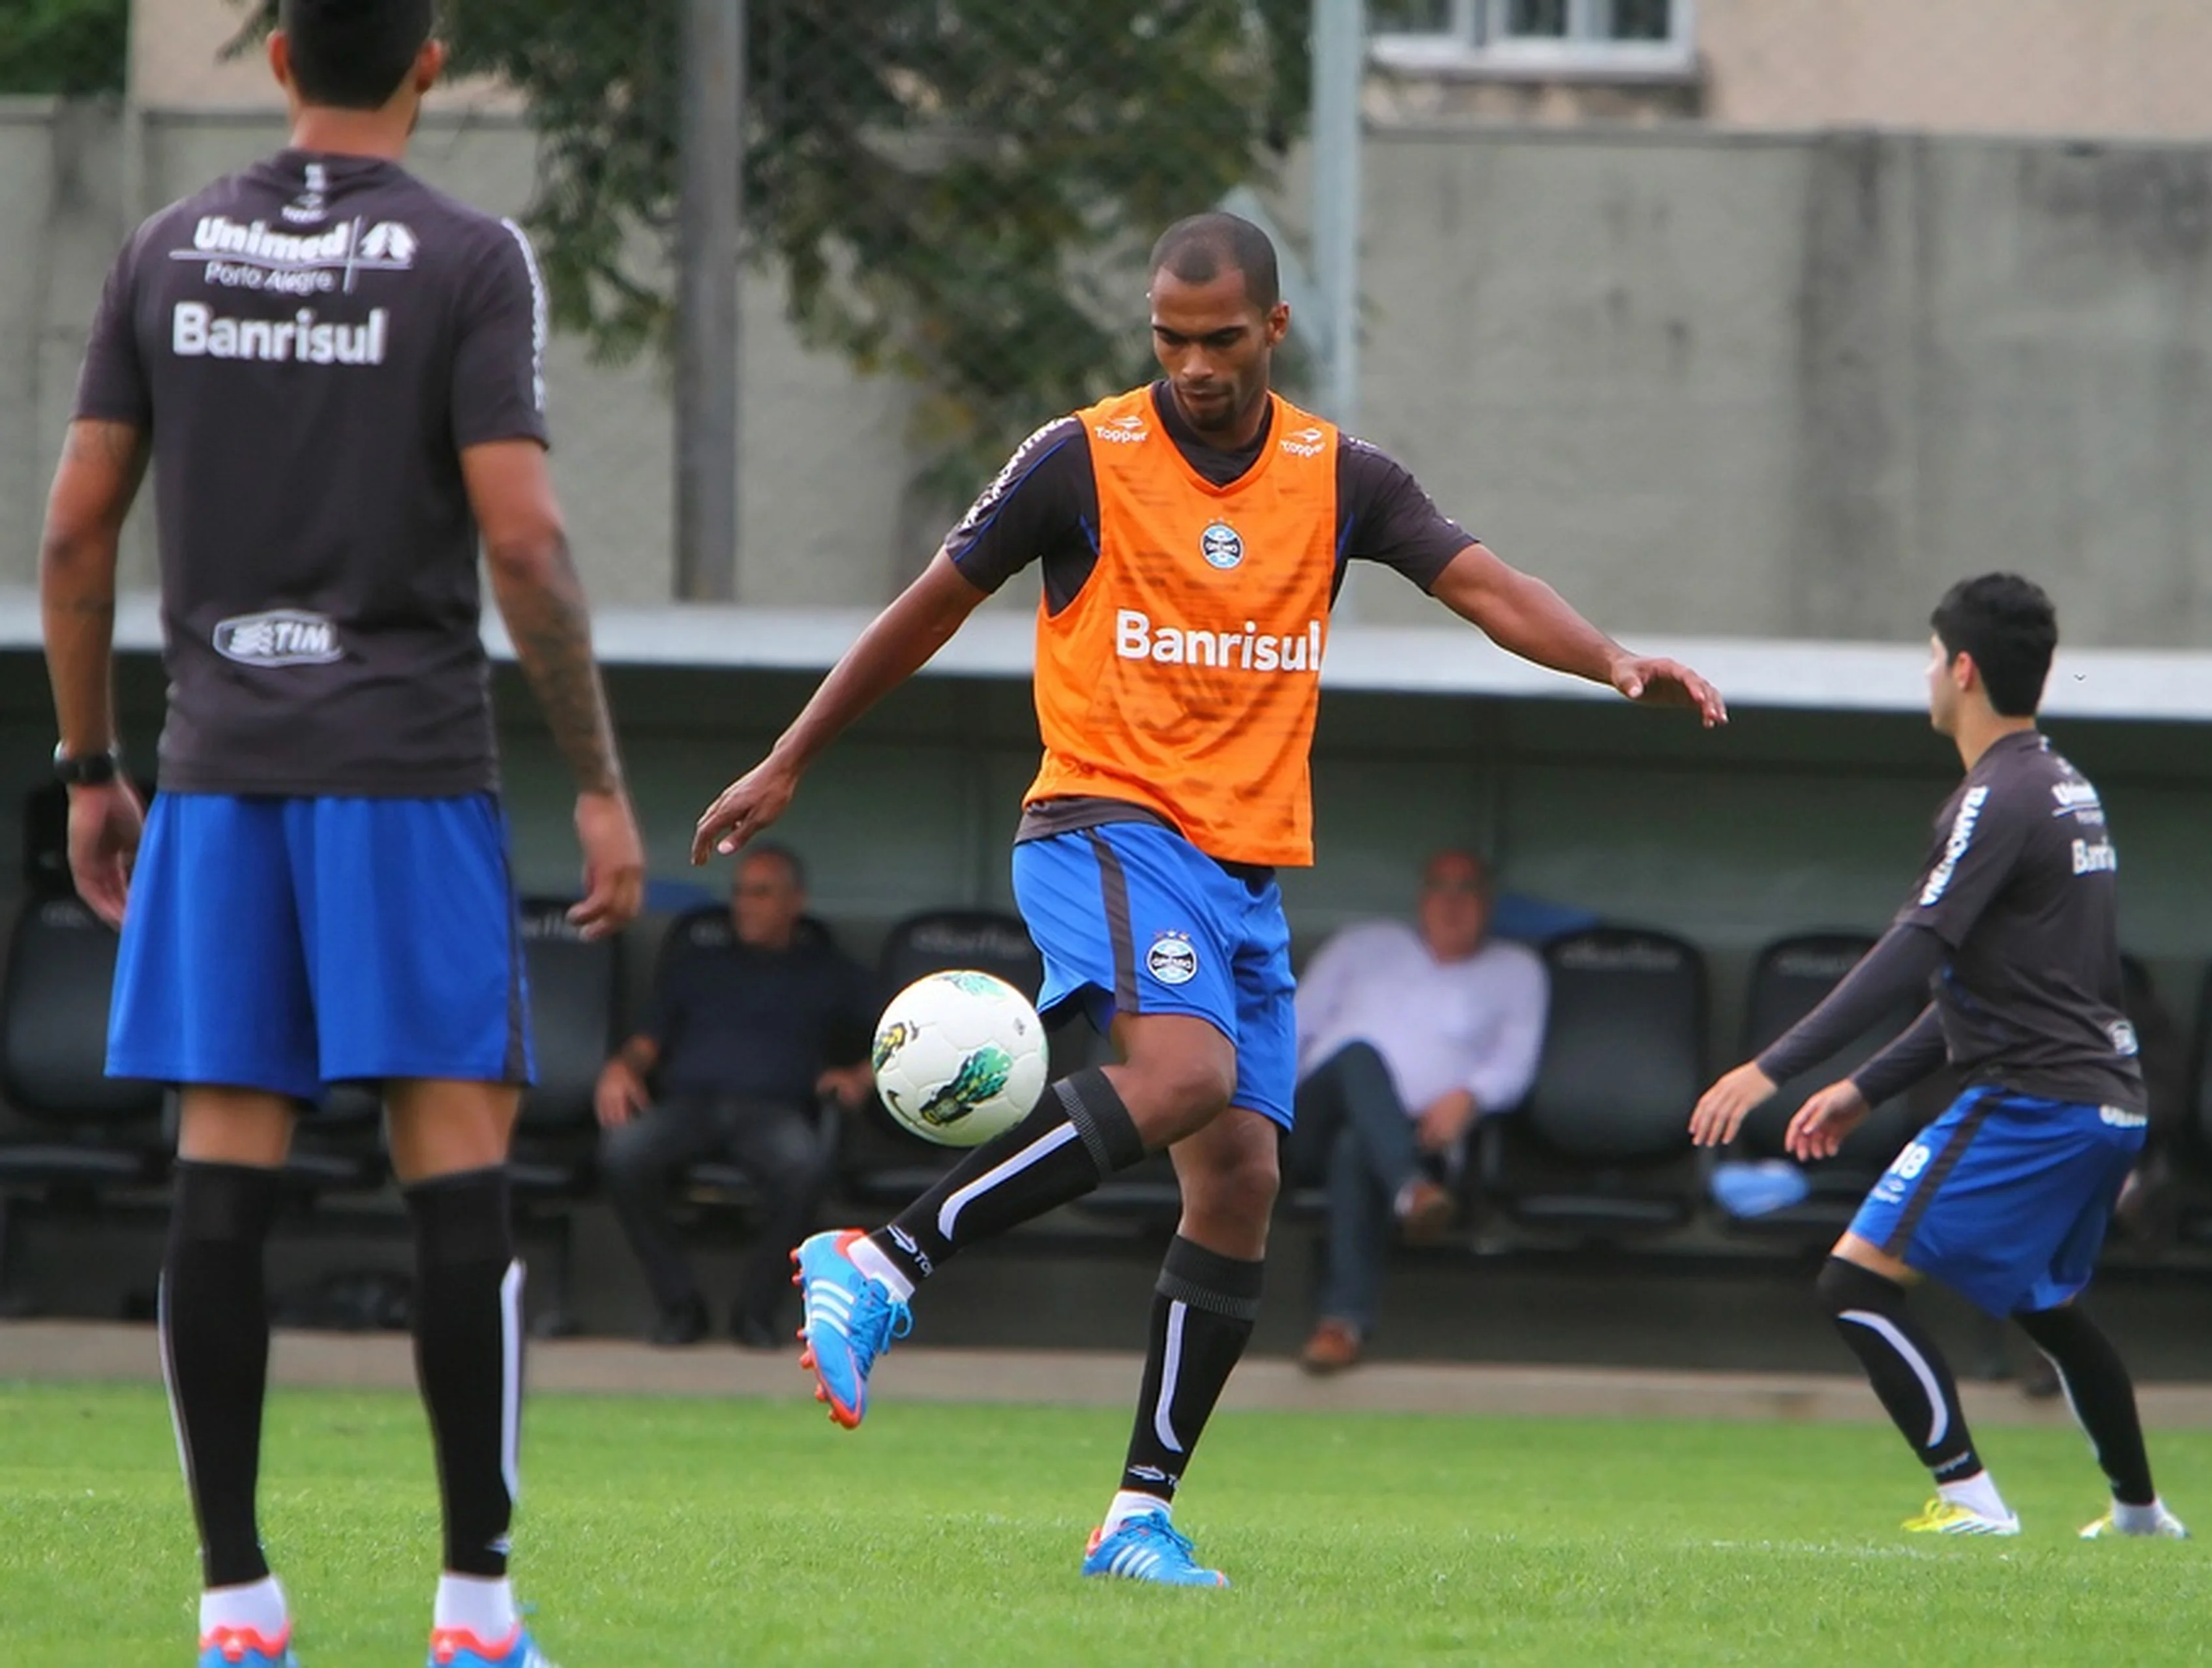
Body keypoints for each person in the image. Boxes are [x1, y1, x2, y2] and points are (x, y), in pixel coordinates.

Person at [691, 211, 1725, 1586]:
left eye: (1220, 339)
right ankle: (882, 1259)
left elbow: (1483, 583)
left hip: (1243, 876)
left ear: (1274, 329)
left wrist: (1611, 658)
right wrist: (789, 757)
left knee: (1240, 1182)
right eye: (1170, 339)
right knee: (1184, 1075)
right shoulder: (1079, 458)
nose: (1192, 365)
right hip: (1104, 821)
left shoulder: (1339, 476)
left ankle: (1137, 1516)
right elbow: (927, 607)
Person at [39, 5, 643, 1665]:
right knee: (458, 1183)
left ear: (280, 55)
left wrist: (92, 765)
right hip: (406, 775)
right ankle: (476, 1613)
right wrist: (598, 778)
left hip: (219, 775)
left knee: (219, 1183)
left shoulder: (166, 249)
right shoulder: (468, 258)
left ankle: (237, 1606)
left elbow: (77, 532)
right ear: (430, 60)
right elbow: (526, 540)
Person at [1688, 574, 2185, 1542]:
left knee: (1854, 1283)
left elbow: (1915, 949)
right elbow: (1993, 984)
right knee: (2049, 1305)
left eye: (1928, 656)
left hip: (2035, 1100)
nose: (1924, 674)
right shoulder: (2065, 786)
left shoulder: (1995, 797)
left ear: (1962, 669)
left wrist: (1772, 1067)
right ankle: (2139, 1514)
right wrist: (1864, 1086)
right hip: (2104, 1102)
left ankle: (1972, 1499)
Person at [596, 842, 882, 1350]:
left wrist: (860, 1076)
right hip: (689, 1108)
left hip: (773, 1113)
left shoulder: (828, 970)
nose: (745, 905)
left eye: (761, 893)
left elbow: (901, 1032)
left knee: (808, 1166)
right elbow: (646, 1044)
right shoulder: (698, 963)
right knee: (622, 1154)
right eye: (741, 893)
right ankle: (680, 1306)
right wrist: (622, 1068)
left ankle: (756, 1312)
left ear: (795, 901)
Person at [1291, 850, 1546, 1374]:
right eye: (1440, 888)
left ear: (1488, 903)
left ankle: (1341, 1327)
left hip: (1418, 1135)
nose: (1453, 903)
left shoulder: (1516, 971)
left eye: (1467, 890)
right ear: (1421, 898)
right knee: (1359, 1055)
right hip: (1309, 1120)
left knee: (1355, 1148)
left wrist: (1472, 1095)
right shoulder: (1362, 946)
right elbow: (1289, 1031)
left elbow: (1515, 1065)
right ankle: (1411, 1190)